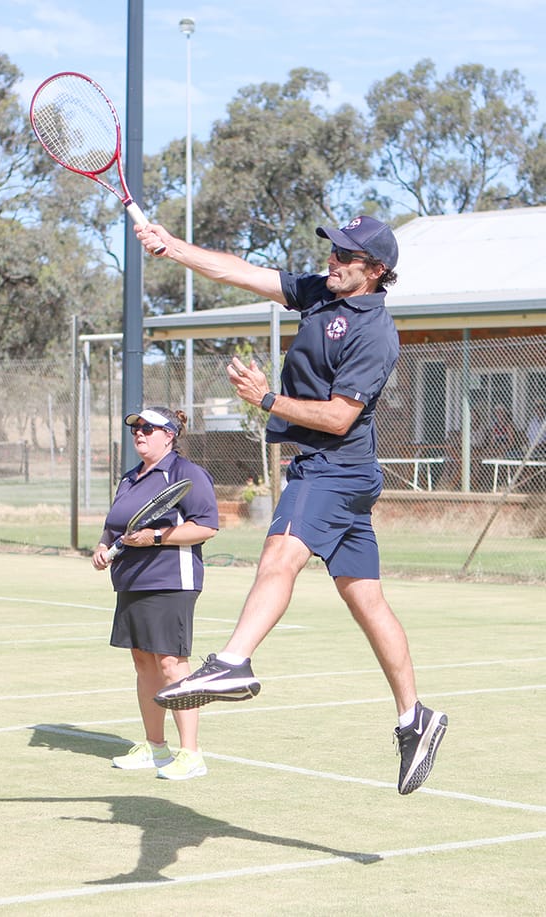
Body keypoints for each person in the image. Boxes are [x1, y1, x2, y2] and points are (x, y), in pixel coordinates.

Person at [134, 214, 448, 796]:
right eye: (333, 251)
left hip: (334, 467)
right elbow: (246, 274)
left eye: (346, 256)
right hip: (339, 472)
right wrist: (172, 248)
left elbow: (338, 415)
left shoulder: (373, 333)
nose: (333, 260)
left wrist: (266, 398)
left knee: (280, 553)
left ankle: (233, 660)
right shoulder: (319, 293)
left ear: (375, 271)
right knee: (367, 600)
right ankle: (414, 717)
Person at [92, 407, 219, 781]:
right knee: (143, 662)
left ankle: (191, 754)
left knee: (170, 664)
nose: (140, 434)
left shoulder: (186, 474)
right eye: (136, 428)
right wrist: (103, 547)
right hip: (131, 581)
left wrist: (157, 537)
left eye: (149, 428)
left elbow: (207, 527)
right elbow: (114, 524)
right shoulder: (130, 478)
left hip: (170, 582)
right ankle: (155, 747)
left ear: (170, 435)